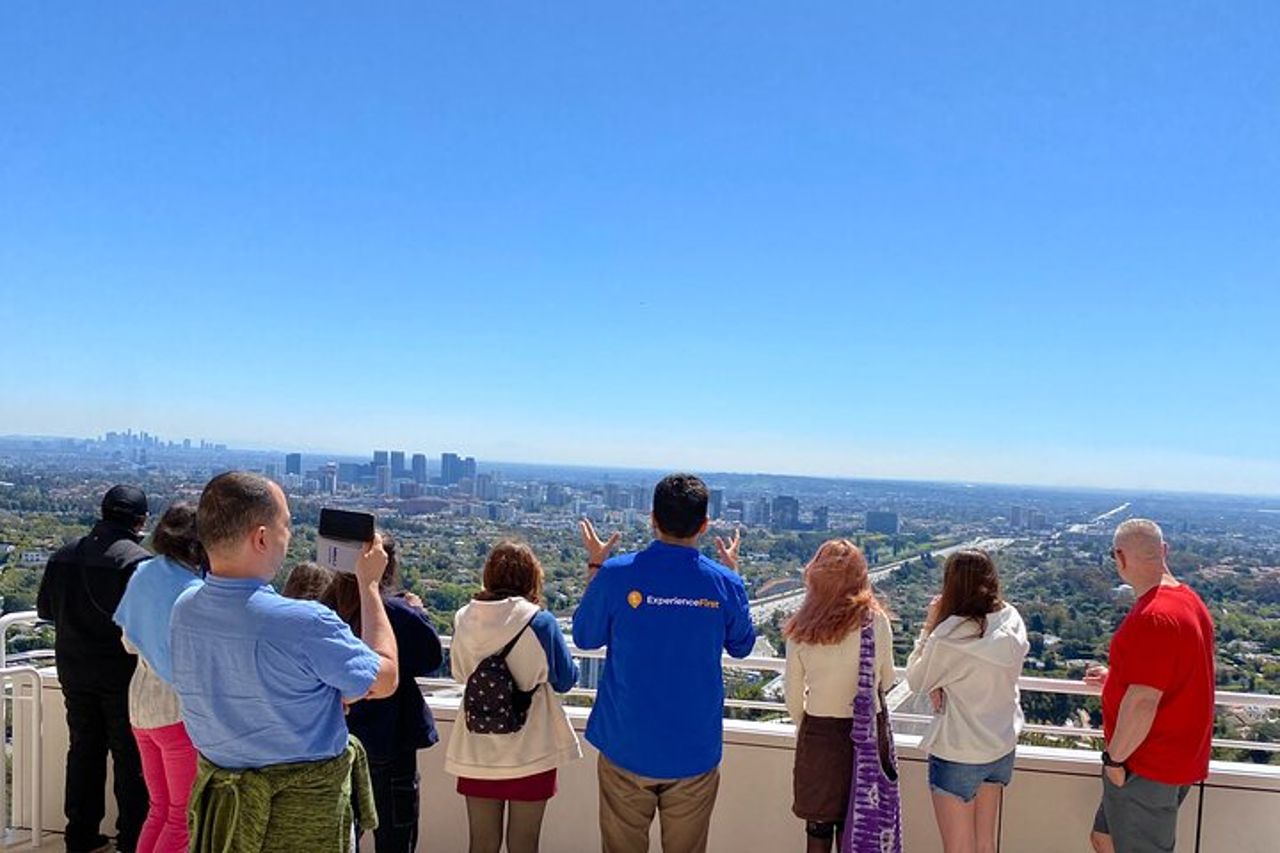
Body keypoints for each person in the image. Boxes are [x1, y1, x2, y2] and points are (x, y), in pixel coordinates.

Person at [169, 471, 399, 852]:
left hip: (223, 816)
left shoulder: (184, 610)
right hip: (303, 819)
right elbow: (385, 677)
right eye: (286, 525)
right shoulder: (304, 623)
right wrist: (369, 585)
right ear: (261, 537)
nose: (288, 535)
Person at [573, 473, 755, 853]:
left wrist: (595, 567)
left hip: (625, 743)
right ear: (704, 525)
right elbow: (742, 646)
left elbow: (586, 638)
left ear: (652, 518)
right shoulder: (724, 583)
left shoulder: (616, 574)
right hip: (693, 750)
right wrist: (733, 578)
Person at [1086, 519, 1215, 853]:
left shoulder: (1153, 616)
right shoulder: (1189, 601)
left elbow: (1143, 701)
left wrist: (1114, 761)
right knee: (1104, 838)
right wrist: (1115, 680)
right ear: (1164, 551)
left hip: (1144, 763)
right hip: (1176, 757)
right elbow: (1170, 675)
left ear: (1119, 557)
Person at [446, 541, 581, 853]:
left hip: (477, 745)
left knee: (481, 843)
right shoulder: (540, 622)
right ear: (531, 577)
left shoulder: (464, 617)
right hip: (532, 746)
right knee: (524, 843)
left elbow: (459, 673)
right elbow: (564, 680)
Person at [37, 484, 151, 853]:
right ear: (140, 521)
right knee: (129, 758)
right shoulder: (137, 563)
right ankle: (131, 838)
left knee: (83, 749)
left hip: (74, 669)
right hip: (122, 675)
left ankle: (80, 835)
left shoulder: (64, 554)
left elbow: (45, 610)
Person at [319, 537, 444, 853]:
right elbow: (431, 658)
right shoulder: (397, 614)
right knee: (395, 838)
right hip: (392, 742)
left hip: (340, 739)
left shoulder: (324, 612)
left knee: (342, 838)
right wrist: (418, 612)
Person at [905, 549, 1028, 853]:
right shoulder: (1011, 619)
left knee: (959, 847)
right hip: (1000, 745)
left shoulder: (950, 636)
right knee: (985, 844)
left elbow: (916, 680)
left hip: (959, 750)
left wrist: (929, 626)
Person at [783, 540, 896, 853]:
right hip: (866, 735)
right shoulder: (876, 621)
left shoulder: (802, 625)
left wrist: (807, 724)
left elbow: (792, 695)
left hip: (819, 734)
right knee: (858, 829)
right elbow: (887, 680)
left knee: (818, 827)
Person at [112, 502, 206, 853]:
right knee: (182, 817)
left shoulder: (144, 573)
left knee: (159, 810)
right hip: (177, 711)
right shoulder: (193, 590)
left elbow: (128, 642)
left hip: (140, 707)